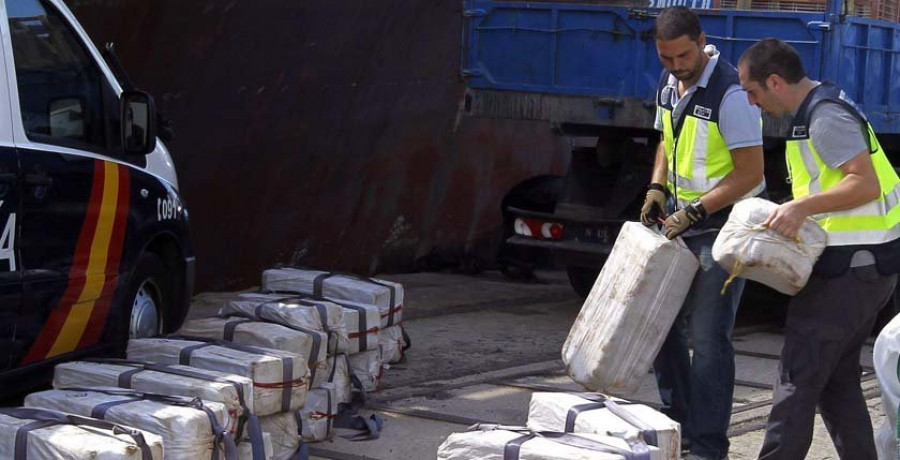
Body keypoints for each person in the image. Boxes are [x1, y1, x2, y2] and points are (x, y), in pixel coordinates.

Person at [738, 38, 900, 460]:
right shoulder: (819, 109)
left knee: (797, 379)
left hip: (847, 272)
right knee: (837, 381)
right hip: (864, 268)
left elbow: (864, 183)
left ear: (775, 82)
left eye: (753, 92)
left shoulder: (824, 116)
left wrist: (800, 207)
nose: (753, 103)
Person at [640, 7, 765, 460]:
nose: (676, 66)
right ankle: (677, 424)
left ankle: (709, 446)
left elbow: (751, 172)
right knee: (659, 326)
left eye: (683, 56)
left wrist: (695, 210)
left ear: (702, 40)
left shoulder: (730, 93)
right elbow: (665, 141)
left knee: (709, 339)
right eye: (666, 58)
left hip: (721, 229)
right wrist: (657, 185)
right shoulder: (668, 83)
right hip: (678, 223)